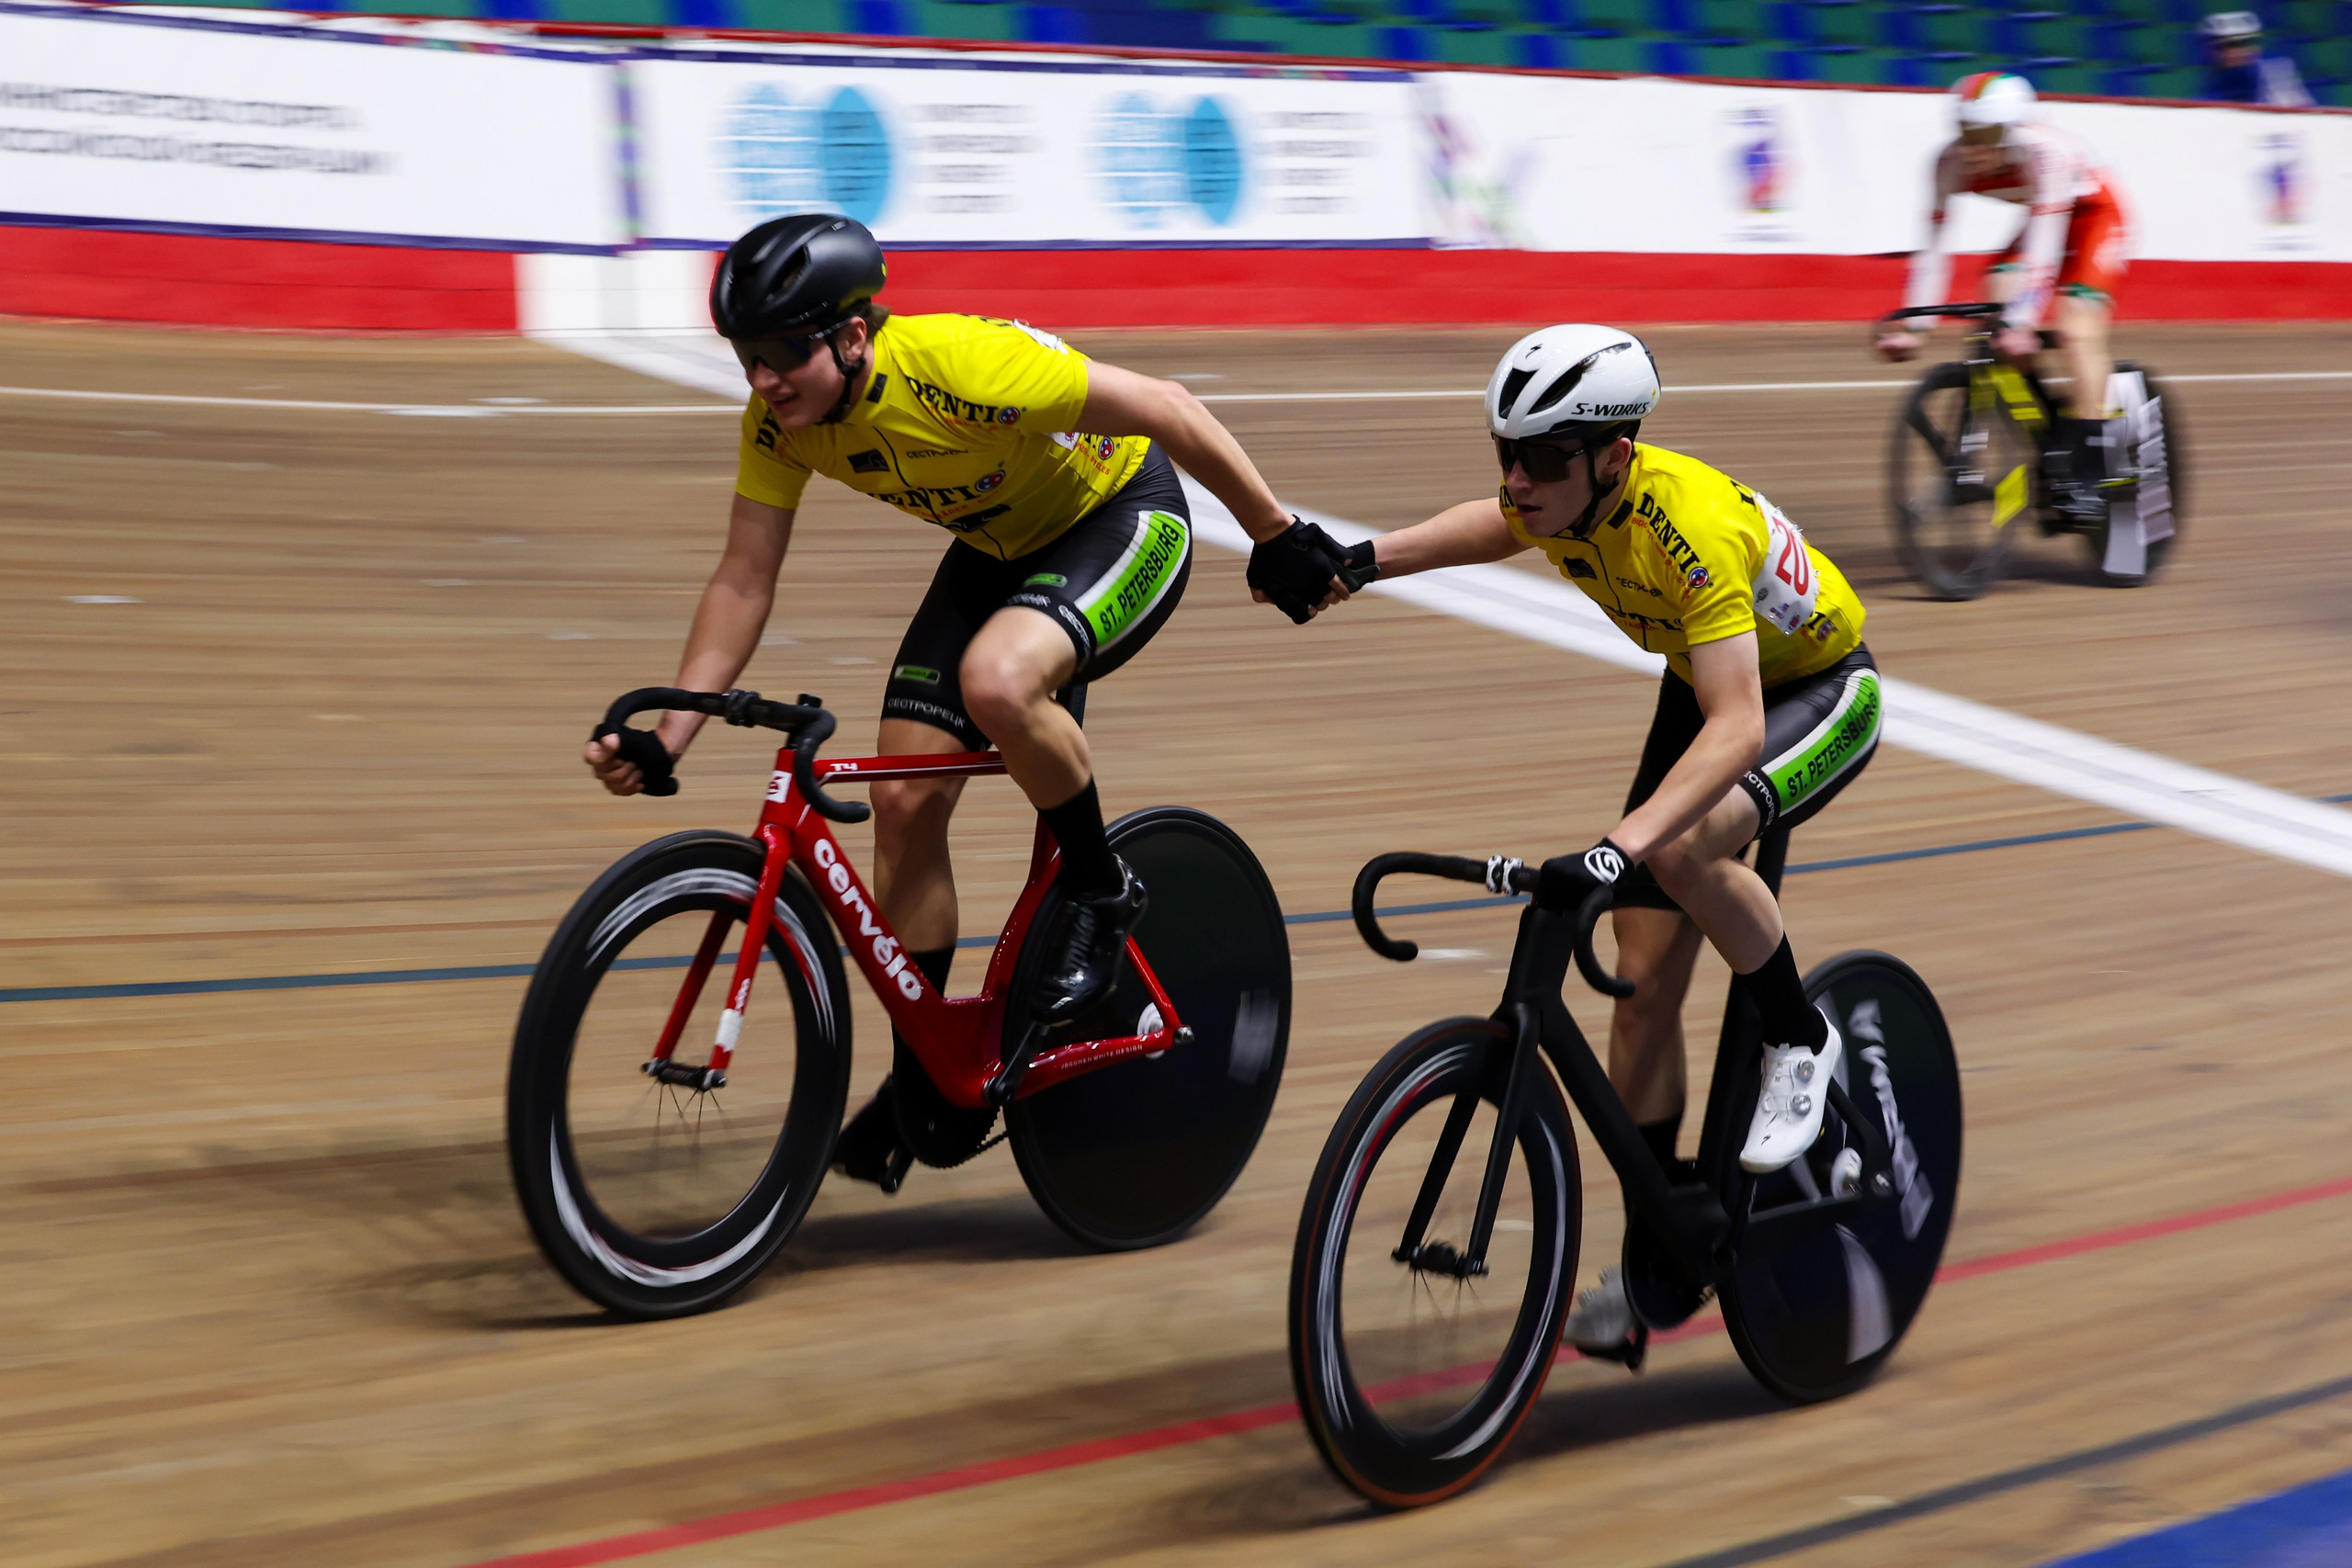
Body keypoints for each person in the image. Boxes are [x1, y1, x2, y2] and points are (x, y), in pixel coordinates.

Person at [583, 213, 1306, 1179]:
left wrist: (1274, 533)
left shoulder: (959, 363)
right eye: (747, 356)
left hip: (1123, 518)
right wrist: (673, 736)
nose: (762, 381)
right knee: (903, 799)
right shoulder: (779, 424)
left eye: (784, 354)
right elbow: (744, 578)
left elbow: (1169, 408)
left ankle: (1101, 891)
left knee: (997, 681)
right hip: (998, 552)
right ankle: (929, 1070)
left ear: (852, 335)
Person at [1271, 325, 1883, 1361]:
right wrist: (1362, 561)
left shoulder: (1684, 527)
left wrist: (1616, 847)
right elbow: (1495, 525)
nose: (1517, 478)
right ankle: (1665, 1253)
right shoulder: (1560, 492)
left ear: (1612, 453)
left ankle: (1801, 1037)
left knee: (1681, 853)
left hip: (1817, 693)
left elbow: (1735, 728)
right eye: (1504, 451)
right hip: (1709, 688)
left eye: (1542, 458)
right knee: (1640, 995)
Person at [1876, 73, 2132, 523]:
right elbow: (1934, 248)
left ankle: (2092, 462)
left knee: (2076, 329)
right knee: (1994, 299)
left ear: (2016, 130)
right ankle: (2051, 424)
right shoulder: (1946, 163)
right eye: (1965, 132)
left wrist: (2024, 318)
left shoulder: (2046, 153)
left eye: (1986, 135)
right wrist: (1916, 328)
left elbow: (2048, 244)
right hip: (2042, 222)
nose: (1972, 147)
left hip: (2094, 218)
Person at [2199, 11, 2312, 107]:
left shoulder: (2276, 68)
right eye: (2232, 44)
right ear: (2212, 50)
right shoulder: (2214, 82)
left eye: (2249, 42)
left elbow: (2293, 112)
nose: (2242, 51)